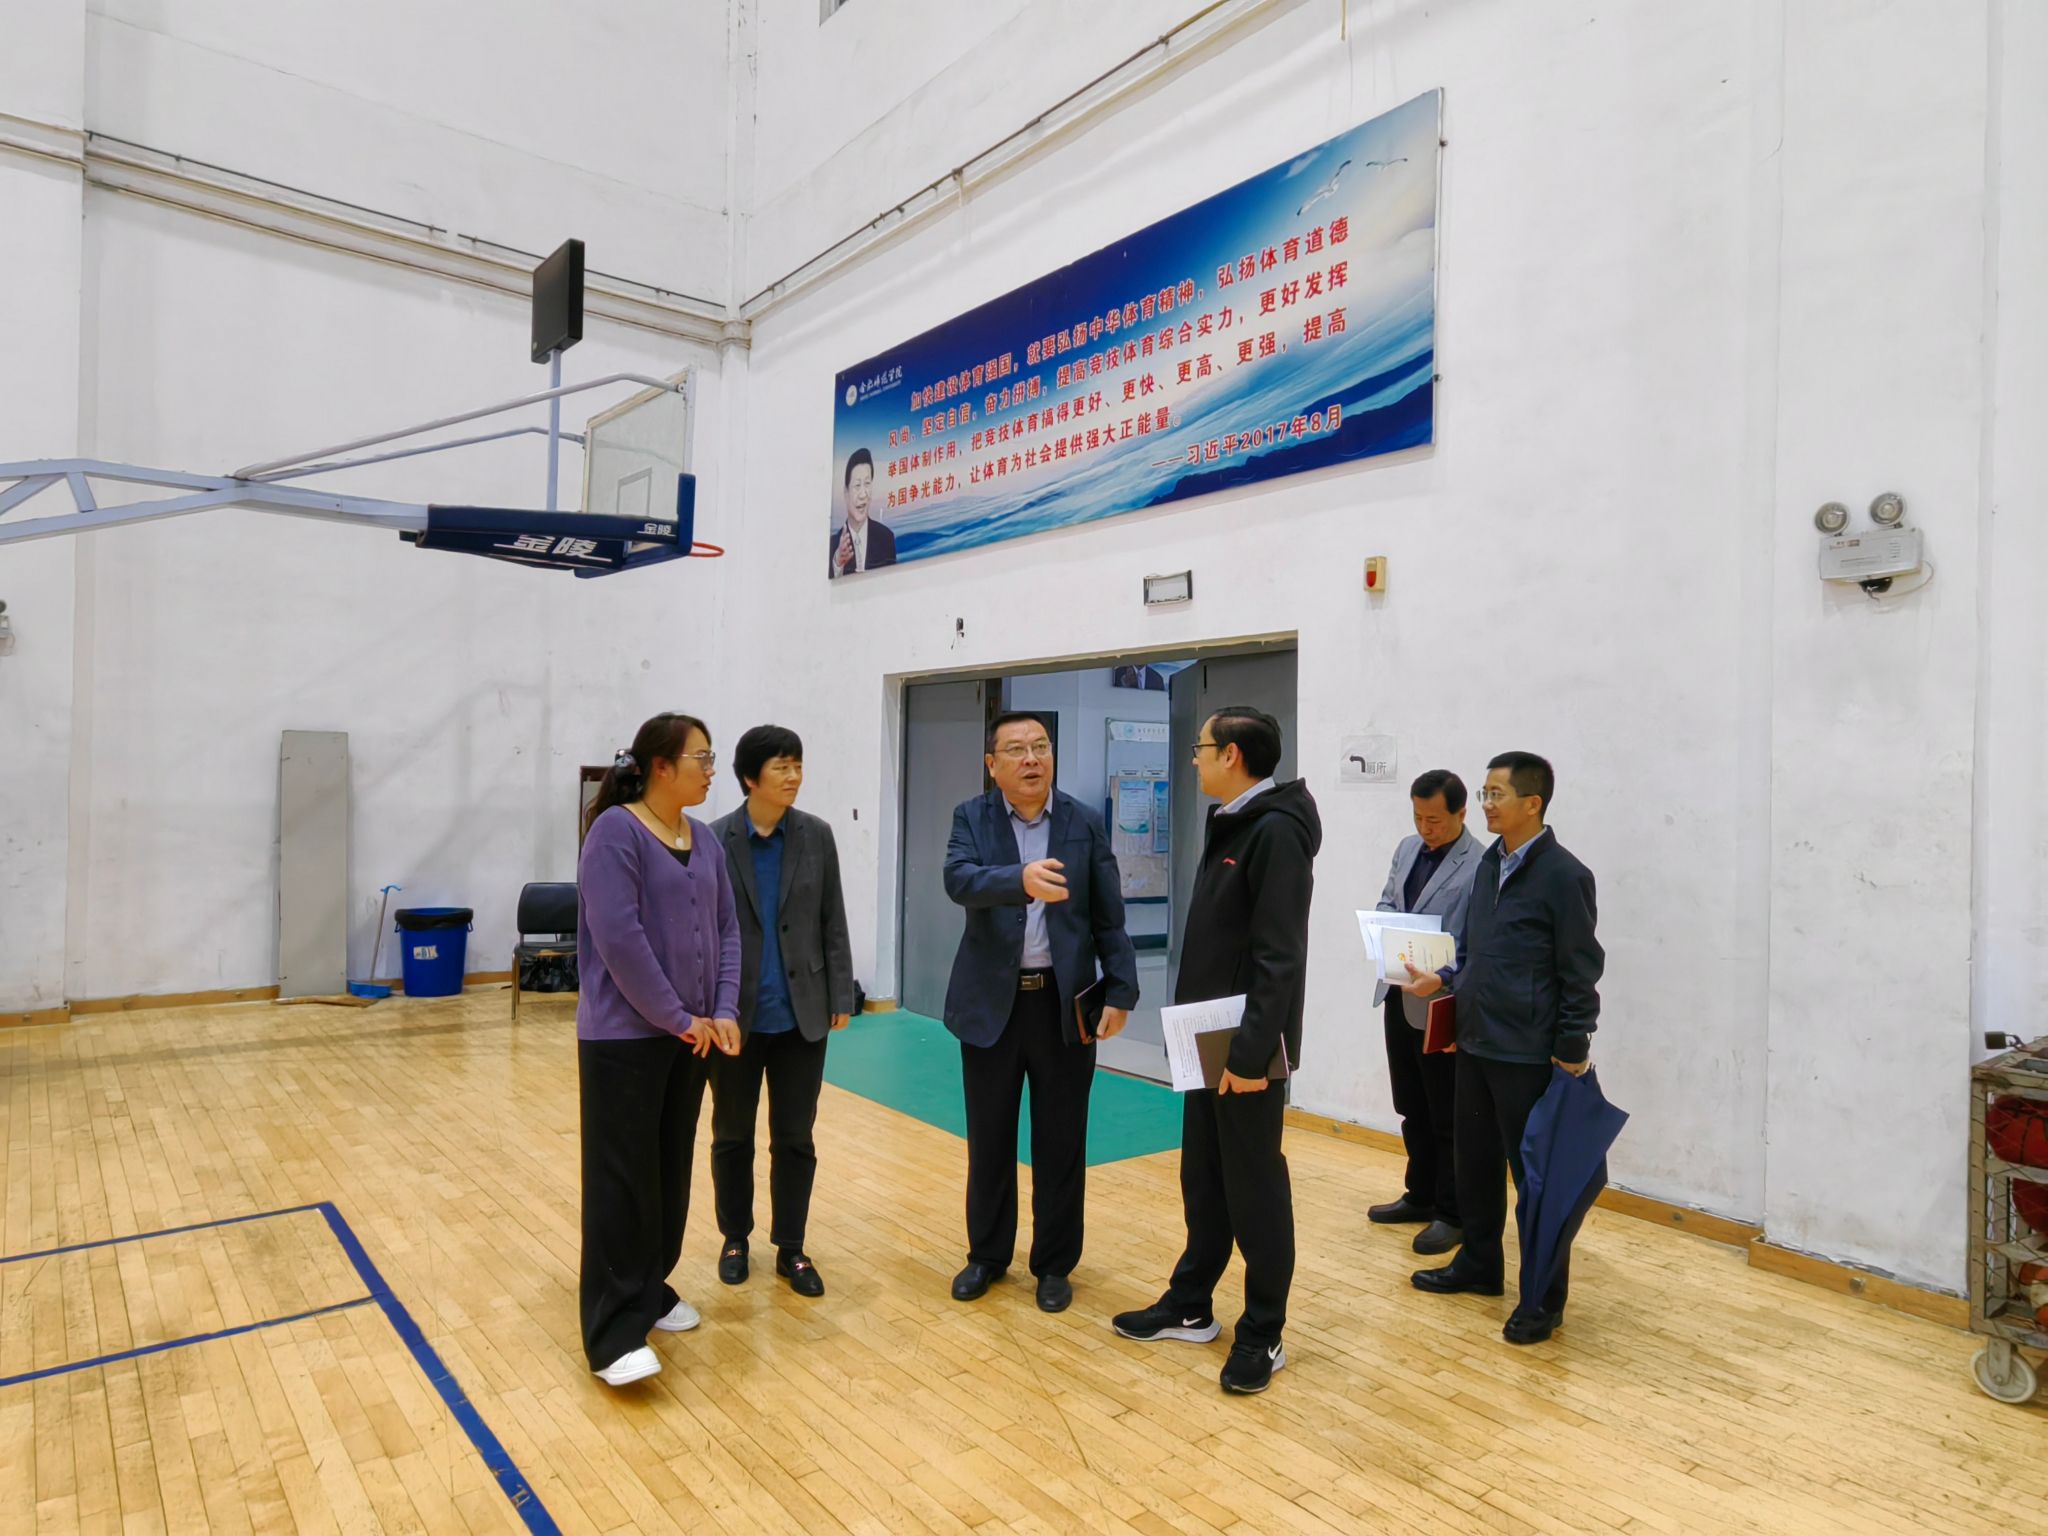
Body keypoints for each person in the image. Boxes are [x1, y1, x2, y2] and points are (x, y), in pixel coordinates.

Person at [1113, 706, 1320, 1395]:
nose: (1194, 758)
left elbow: (1280, 957)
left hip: (1242, 1047)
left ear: (1232, 755)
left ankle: (1263, 1331)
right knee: (1204, 1179)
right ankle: (1191, 1304)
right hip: (1204, 1036)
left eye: (1201, 747)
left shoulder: (1276, 833)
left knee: (1255, 1189)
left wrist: (1251, 1056)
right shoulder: (1233, 820)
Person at [942, 711, 1140, 1313]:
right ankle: (987, 1255)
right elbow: (959, 880)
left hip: (1063, 1005)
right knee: (990, 1139)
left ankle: (1054, 1264)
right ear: (992, 764)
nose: (1031, 759)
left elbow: (1109, 914)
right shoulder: (971, 817)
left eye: (1041, 746)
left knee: (1061, 1141)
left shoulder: (1082, 821)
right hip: (991, 1007)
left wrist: (1122, 991)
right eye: (1017, 749)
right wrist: (1020, 879)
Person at [1409, 751, 1604, 1346]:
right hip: (1476, 1042)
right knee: (1474, 1166)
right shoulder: (1489, 865)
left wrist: (1571, 1047)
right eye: (1486, 793)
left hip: (1530, 1053)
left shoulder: (1565, 876)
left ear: (1532, 803)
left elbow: (1580, 971)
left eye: (1496, 794)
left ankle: (1542, 1300)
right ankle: (1479, 1264)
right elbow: (1473, 953)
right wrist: (1445, 980)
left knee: (1538, 1184)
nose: (1487, 804)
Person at [576, 712, 742, 1388]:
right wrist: (678, 1017)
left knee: (669, 1172)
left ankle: (650, 1287)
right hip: (626, 1038)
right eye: (701, 758)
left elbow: (727, 929)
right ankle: (612, 1331)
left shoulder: (705, 839)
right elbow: (619, 940)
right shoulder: (615, 834)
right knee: (622, 1181)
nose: (711, 769)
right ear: (661, 767)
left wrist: (723, 1010)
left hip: (691, 1036)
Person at [708, 725, 855, 1298]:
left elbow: (832, 919)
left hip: (802, 1016)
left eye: (798, 765)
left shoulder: (816, 835)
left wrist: (841, 995)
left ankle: (791, 1246)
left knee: (795, 1137)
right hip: (734, 1017)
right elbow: (704, 930)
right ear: (751, 778)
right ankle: (734, 1238)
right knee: (731, 1136)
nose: (794, 777)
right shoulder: (714, 840)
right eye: (781, 767)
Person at [1366, 769, 1484, 1256]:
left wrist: (1445, 974)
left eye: (1434, 820)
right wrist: (1384, 927)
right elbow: (1388, 898)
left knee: (1446, 1114)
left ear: (1461, 813)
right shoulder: (1406, 848)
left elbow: (1478, 943)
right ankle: (1420, 1194)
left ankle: (1453, 1213)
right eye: (1418, 817)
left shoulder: (1480, 864)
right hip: (1399, 993)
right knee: (1410, 1104)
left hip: (1441, 1002)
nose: (1424, 828)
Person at [829, 448, 897, 576]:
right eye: (857, 485)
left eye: (867, 484)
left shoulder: (886, 538)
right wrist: (838, 565)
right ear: (846, 492)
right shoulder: (833, 546)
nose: (863, 494)